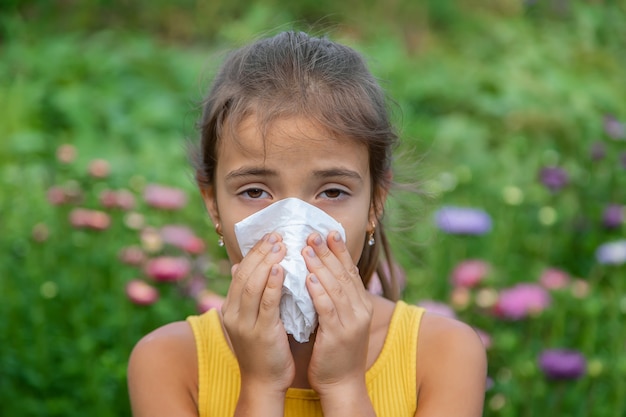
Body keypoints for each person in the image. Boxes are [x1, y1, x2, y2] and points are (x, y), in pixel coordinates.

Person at [127, 30, 487, 417]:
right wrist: (261, 386)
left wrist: (344, 386)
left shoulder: (444, 354)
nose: (294, 226)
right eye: (254, 191)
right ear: (213, 204)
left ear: (374, 203)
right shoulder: (168, 361)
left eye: (332, 192)